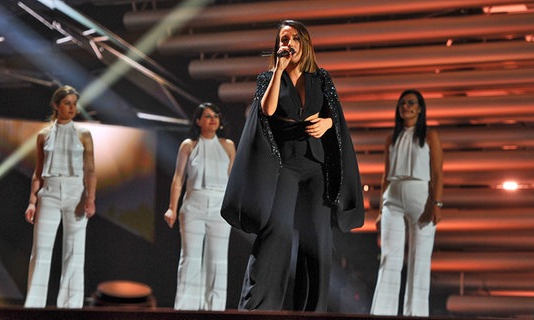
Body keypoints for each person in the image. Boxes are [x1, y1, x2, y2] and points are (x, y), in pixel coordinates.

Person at [221, 20, 365, 312]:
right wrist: (278, 70)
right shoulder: (268, 77)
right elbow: (267, 110)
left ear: (305, 44)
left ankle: (313, 310)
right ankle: (258, 307)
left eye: (295, 38)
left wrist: (327, 122)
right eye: (284, 39)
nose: (289, 43)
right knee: (278, 233)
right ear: (278, 46)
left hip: (315, 165)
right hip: (284, 164)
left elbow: (334, 118)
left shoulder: (321, 79)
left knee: (317, 239)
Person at [370, 89, 443, 317]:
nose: (406, 107)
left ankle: (416, 314)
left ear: (420, 108)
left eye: (411, 103)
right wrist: (381, 210)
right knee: (389, 257)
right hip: (393, 196)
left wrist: (436, 204)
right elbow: (384, 175)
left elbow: (438, 173)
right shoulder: (391, 138)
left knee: (420, 259)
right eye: (402, 104)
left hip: (421, 197)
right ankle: (383, 312)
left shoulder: (430, 136)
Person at [24, 85, 97, 308]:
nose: (72, 107)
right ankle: (34, 306)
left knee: (75, 251)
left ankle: (70, 307)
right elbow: (38, 172)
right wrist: (32, 201)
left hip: (76, 192)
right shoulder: (43, 135)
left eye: (75, 104)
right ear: (56, 105)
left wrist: (90, 198)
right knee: (41, 250)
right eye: (67, 103)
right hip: (50, 192)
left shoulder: (84, 134)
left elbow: (91, 170)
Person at [164, 102, 236, 311]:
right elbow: (178, 178)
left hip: (219, 208)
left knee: (218, 260)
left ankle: (215, 309)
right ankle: (185, 308)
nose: (213, 119)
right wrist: (172, 208)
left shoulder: (228, 145)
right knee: (190, 257)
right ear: (198, 121)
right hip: (193, 206)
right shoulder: (189, 145)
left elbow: (233, 181)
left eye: (215, 116)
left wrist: (234, 210)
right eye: (207, 116)